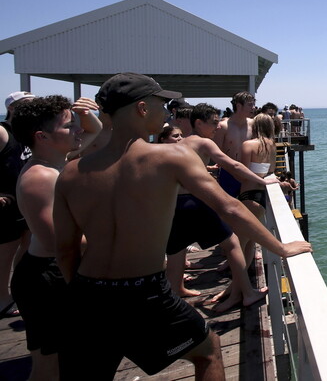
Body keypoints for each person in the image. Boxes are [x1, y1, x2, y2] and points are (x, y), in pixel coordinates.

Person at [53, 73, 312, 380]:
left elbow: (65, 249)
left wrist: (81, 296)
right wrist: (281, 247)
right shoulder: (170, 157)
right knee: (208, 351)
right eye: (161, 104)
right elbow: (229, 207)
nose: (169, 112)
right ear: (141, 108)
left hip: (86, 291)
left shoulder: (70, 172)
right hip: (141, 290)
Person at [10, 95, 101, 381]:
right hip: (44, 280)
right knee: (48, 366)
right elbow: (56, 241)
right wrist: (116, 238)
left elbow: (95, 131)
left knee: (67, 358)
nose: (78, 131)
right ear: (42, 136)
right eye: (68, 126)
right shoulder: (40, 177)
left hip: (55, 271)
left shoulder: (57, 162)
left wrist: (85, 114)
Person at [166, 103, 278, 311]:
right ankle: (246, 292)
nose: (218, 127)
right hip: (195, 200)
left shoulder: (180, 143)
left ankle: (175, 293)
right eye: (214, 123)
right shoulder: (204, 143)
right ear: (198, 123)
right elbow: (234, 165)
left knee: (176, 250)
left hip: (175, 202)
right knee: (234, 244)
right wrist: (262, 181)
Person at [0, 91, 35, 319]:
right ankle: (2, 298)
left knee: (26, 248)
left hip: (26, 202)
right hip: (7, 206)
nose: (32, 109)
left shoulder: (30, 132)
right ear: (12, 108)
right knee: (4, 255)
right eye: (26, 105)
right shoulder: (3, 131)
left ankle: (20, 291)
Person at [239, 113, 277, 267]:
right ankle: (240, 281)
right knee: (249, 242)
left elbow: (243, 173)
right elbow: (270, 169)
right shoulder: (272, 145)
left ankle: (236, 285)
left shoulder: (248, 145)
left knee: (238, 245)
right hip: (261, 196)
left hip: (248, 195)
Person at [213, 91, 256, 197]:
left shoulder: (253, 124)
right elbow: (216, 154)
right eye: (250, 104)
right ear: (238, 106)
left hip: (249, 173)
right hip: (228, 174)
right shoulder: (223, 127)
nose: (254, 107)